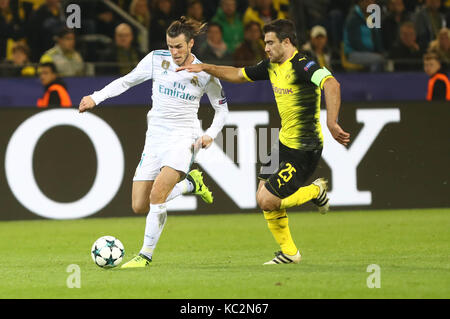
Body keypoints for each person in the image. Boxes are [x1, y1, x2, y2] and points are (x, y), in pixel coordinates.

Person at [177, 19, 350, 265]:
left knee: (267, 199)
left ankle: (315, 190)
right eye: (265, 43)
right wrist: (205, 67)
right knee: (262, 196)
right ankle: (290, 253)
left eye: (270, 43)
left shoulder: (304, 65)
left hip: (304, 148)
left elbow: (332, 84)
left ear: (286, 42)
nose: (266, 48)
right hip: (282, 143)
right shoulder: (271, 66)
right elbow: (237, 74)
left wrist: (332, 122)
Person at [78, 16, 229, 268]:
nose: (174, 52)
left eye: (179, 47)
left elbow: (221, 109)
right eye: (170, 46)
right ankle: (190, 184)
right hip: (155, 138)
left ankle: (145, 255)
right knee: (139, 205)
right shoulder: (156, 59)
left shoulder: (205, 74)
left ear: (191, 43)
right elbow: (126, 80)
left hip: (184, 138)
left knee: (157, 196)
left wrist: (210, 134)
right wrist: (96, 97)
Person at [343, 0, 385, 72]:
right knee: (378, 59)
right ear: (360, 3)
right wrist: (372, 53)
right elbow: (355, 42)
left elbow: (377, 38)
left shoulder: (374, 16)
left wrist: (380, 51)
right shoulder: (353, 18)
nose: (370, 4)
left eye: (372, 2)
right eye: (367, 2)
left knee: (384, 58)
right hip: (353, 53)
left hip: (370, 54)